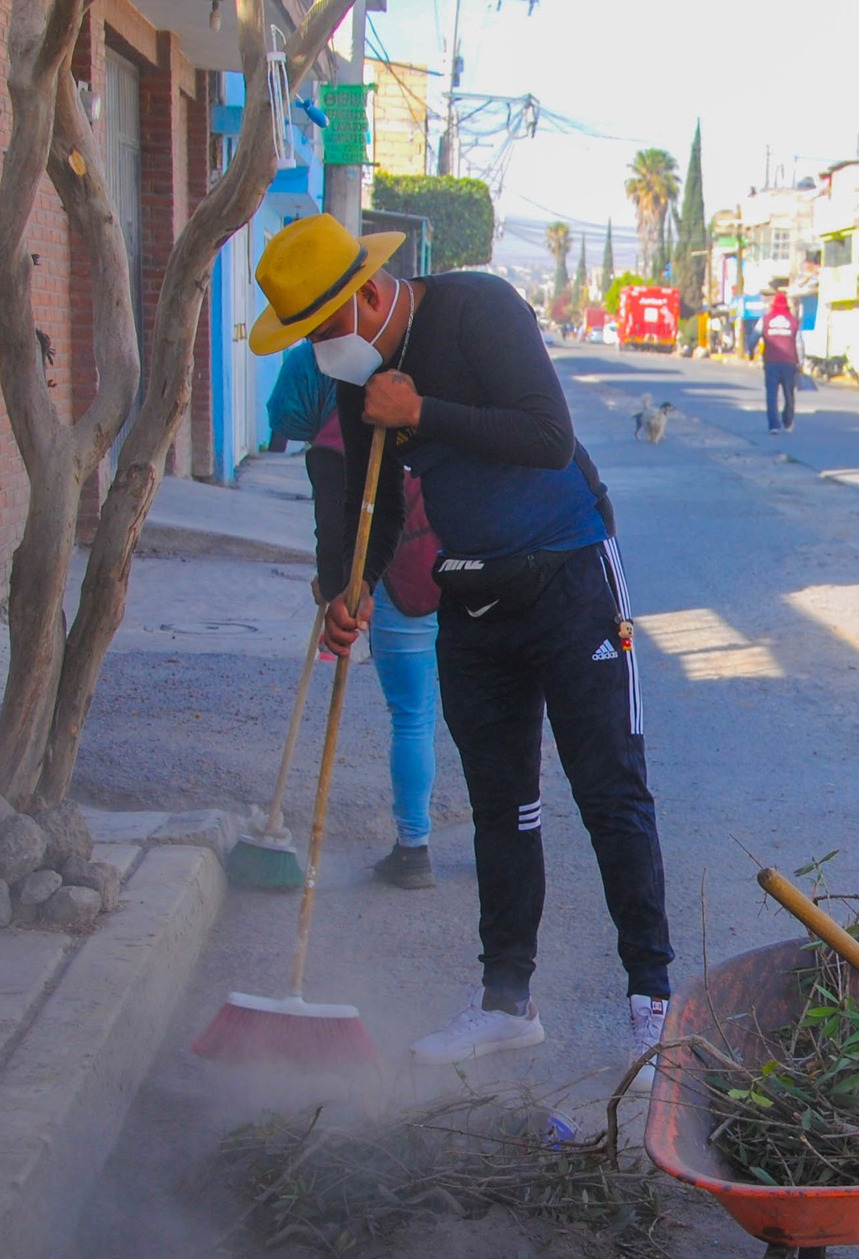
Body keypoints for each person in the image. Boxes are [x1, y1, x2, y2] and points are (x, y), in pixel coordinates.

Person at [249, 213, 674, 1071]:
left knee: (609, 793)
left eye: (324, 329)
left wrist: (426, 411)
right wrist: (351, 588)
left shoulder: (478, 309)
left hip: (569, 577)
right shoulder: (357, 377)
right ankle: (505, 1001)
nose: (321, 351)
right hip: (473, 599)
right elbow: (372, 504)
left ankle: (652, 1002)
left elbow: (547, 435)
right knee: (502, 806)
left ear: (368, 295)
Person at [267, 342, 444, 892]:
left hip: (398, 580)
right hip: (457, 561)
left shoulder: (331, 441)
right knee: (478, 712)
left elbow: (334, 531)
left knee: (413, 714)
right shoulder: (410, 388)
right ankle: (502, 842)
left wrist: (337, 589)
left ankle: (414, 850)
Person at [760, 289, 801, 433]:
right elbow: (799, 343)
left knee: (771, 394)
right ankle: (788, 421)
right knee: (789, 393)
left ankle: (774, 425)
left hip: (770, 362)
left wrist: (750, 349)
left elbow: (754, 335)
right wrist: (800, 361)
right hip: (789, 363)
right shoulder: (793, 321)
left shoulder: (765, 320)